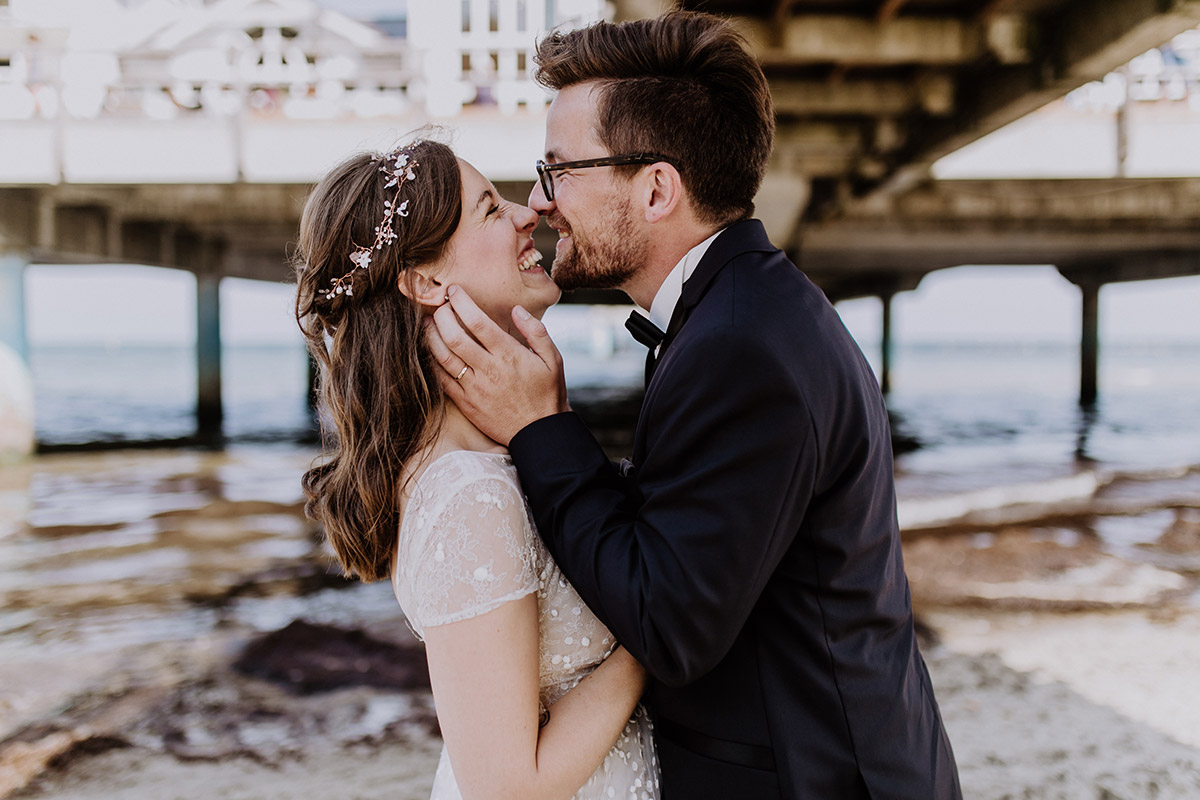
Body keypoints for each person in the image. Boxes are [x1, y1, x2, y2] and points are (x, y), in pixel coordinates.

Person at [426, 12, 962, 800]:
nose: (539, 205)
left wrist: (543, 431)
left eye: (559, 171)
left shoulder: (740, 343)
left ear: (655, 188)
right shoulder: (742, 313)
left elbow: (672, 626)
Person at [294, 138, 660, 800]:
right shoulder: (469, 495)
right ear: (426, 281)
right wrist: (665, 625)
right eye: (491, 209)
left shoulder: (491, 460)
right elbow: (506, 787)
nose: (529, 214)